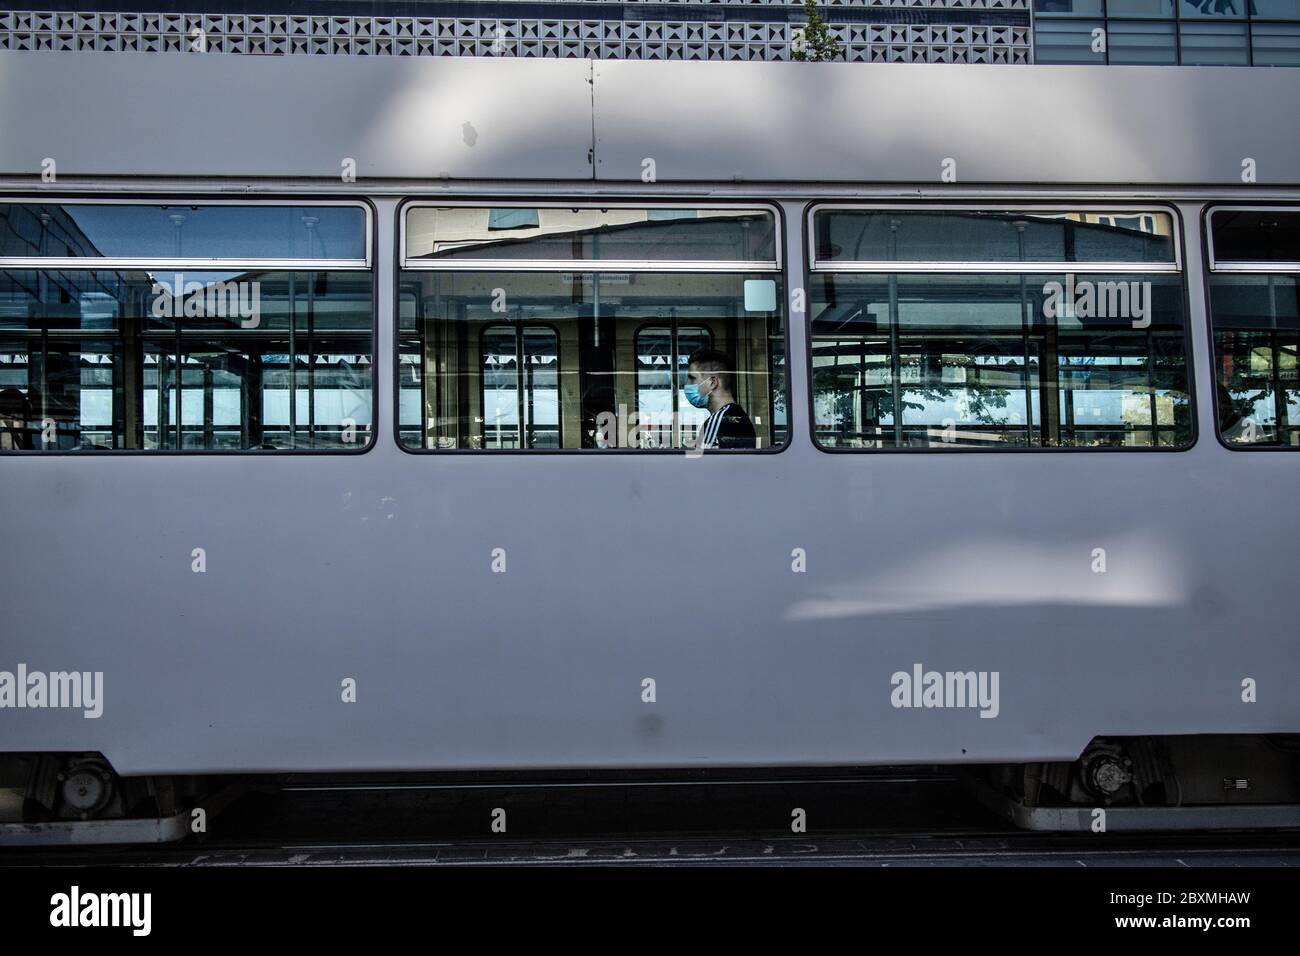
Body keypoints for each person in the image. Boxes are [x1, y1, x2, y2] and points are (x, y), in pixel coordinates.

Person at [683, 348, 757, 449]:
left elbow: (704, 463)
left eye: (692, 378)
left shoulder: (718, 420)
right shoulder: (737, 416)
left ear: (712, 382)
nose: (687, 385)